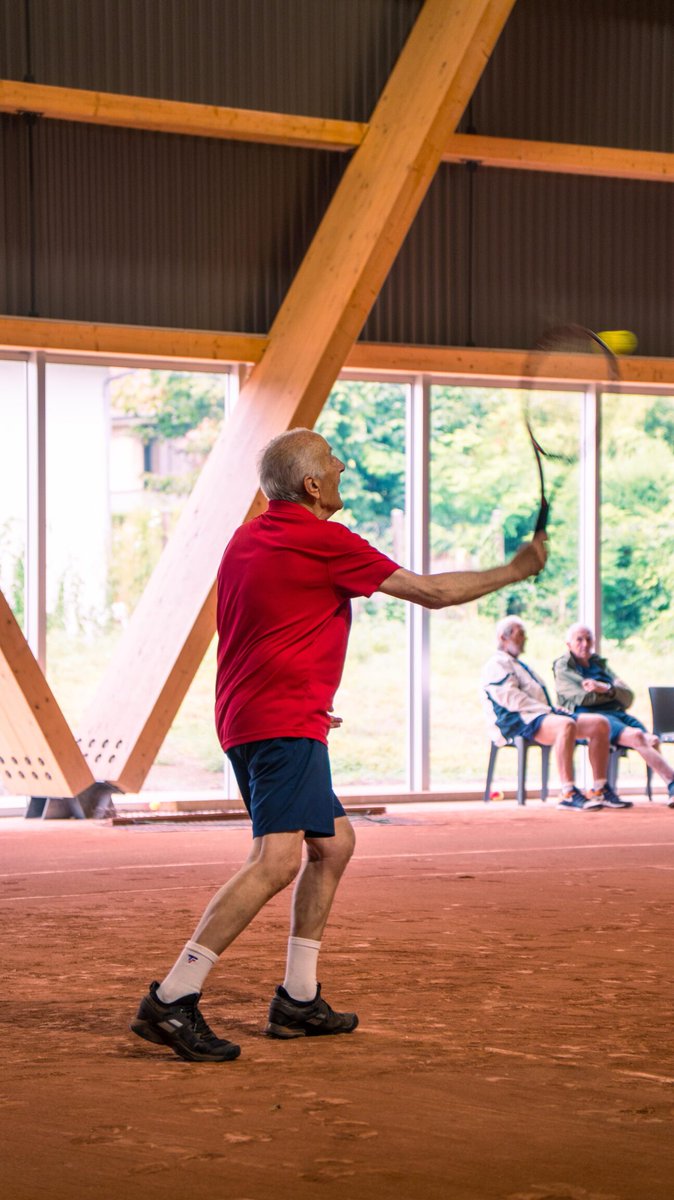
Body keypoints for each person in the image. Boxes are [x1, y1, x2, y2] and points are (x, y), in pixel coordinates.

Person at [131, 428, 546, 1063]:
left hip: (257, 714)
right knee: (274, 863)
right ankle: (172, 996)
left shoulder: (246, 539)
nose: (343, 462)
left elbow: (266, 627)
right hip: (280, 721)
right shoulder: (321, 538)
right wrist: (516, 570)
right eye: (331, 457)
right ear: (312, 485)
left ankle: (297, 1000)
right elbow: (433, 593)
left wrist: (301, 694)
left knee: (334, 843)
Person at [481, 616, 632, 811]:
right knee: (565, 725)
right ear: (503, 637)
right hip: (517, 721)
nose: (525, 639)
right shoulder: (496, 664)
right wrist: (548, 711)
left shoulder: (518, 664)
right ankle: (567, 792)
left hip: (539, 715)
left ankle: (599, 789)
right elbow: (510, 699)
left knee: (600, 723)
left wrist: (552, 710)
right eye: (520, 635)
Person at [553, 623, 674, 807]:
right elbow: (583, 699)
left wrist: (605, 688)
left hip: (618, 713)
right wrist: (613, 691)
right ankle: (673, 785)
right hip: (593, 717)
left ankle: (669, 789)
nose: (585, 644)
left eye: (588, 639)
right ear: (568, 643)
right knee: (637, 736)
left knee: (652, 741)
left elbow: (628, 696)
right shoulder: (563, 666)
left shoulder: (598, 664)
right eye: (579, 639)